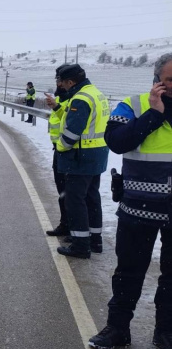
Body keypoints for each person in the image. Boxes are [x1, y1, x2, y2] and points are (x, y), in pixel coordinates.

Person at [87, 53, 172, 349]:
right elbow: (117, 142)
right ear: (157, 79)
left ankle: (166, 333)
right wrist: (154, 114)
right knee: (129, 271)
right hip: (139, 207)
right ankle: (118, 328)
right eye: (170, 79)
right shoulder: (132, 105)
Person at [54, 64, 109, 258]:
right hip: (97, 154)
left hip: (81, 157)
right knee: (92, 197)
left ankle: (80, 245)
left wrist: (60, 147)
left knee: (75, 201)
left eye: (63, 82)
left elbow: (72, 133)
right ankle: (95, 241)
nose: (61, 85)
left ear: (70, 82)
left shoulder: (80, 98)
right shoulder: (96, 93)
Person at [45, 68, 70, 237]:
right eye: (57, 80)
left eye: (60, 80)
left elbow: (70, 122)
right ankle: (65, 224)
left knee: (71, 194)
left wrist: (57, 107)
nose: (58, 83)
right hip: (59, 149)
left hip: (70, 151)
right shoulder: (60, 98)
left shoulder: (75, 100)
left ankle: (76, 229)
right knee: (62, 192)